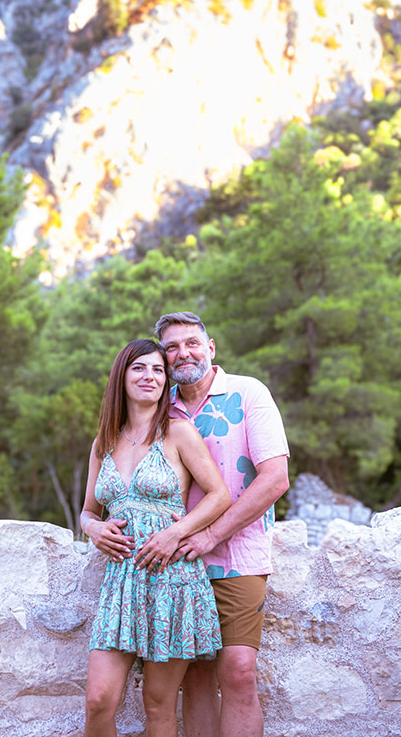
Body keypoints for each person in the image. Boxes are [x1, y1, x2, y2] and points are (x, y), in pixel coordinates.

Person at [79, 338, 231, 737]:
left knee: (159, 705)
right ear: (121, 376)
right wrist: (94, 529)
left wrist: (175, 534)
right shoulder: (103, 443)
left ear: (166, 382)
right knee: (98, 701)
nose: (150, 376)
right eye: (139, 368)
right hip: (120, 584)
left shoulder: (178, 432)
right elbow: (87, 512)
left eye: (158, 370)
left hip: (172, 580)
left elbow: (220, 496)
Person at [154, 312, 290, 737]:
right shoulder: (160, 406)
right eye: (171, 347)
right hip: (176, 560)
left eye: (192, 343)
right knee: (194, 679)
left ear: (210, 348)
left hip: (238, 555)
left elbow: (275, 478)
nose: (183, 353)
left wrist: (211, 534)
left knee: (238, 671)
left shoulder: (248, 393)